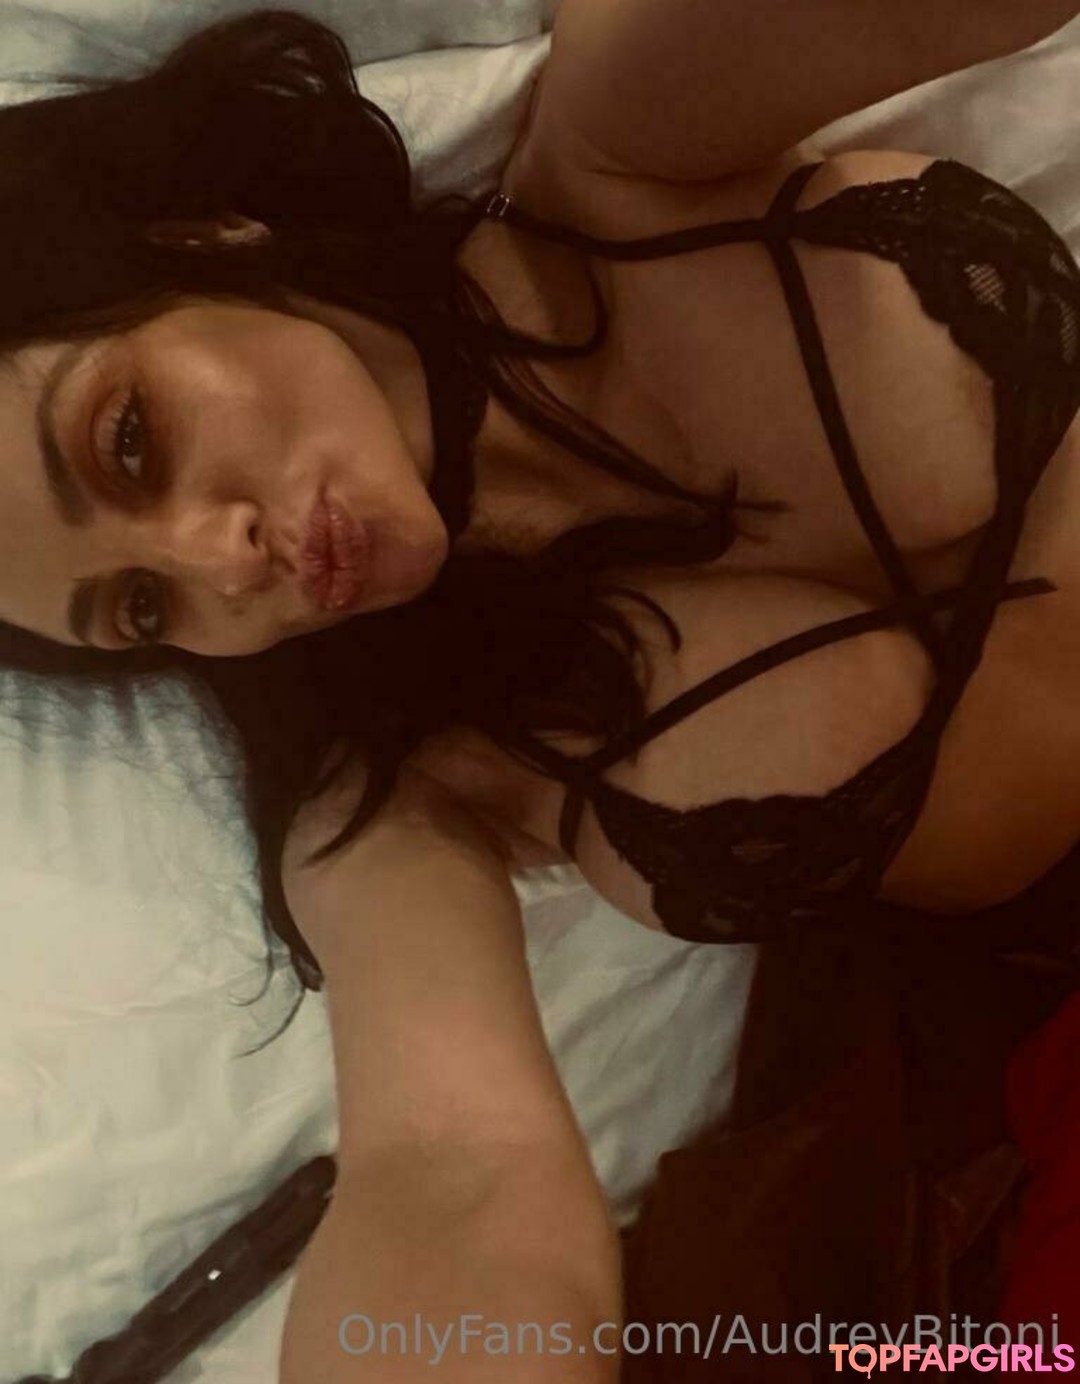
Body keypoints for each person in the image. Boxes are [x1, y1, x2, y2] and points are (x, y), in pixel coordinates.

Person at [1, 3, 1079, 1379]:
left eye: (129, 441)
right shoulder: (405, 804)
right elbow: (450, 1173)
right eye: (144, 611)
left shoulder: (625, 147)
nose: (221, 567)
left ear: (201, 240)